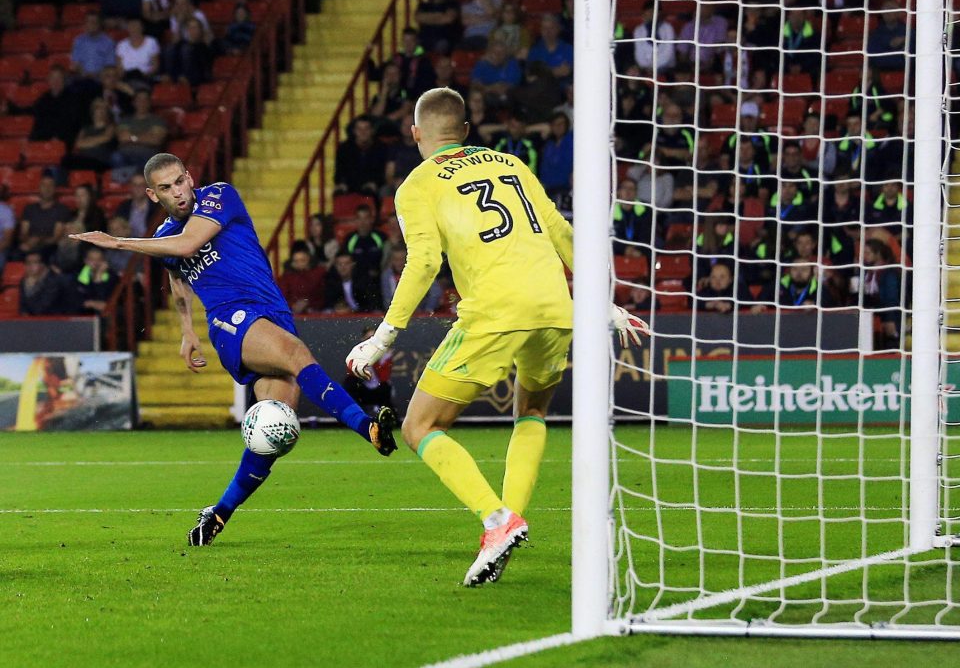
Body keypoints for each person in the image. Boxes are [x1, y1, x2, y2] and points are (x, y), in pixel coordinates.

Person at [344, 88, 648, 586]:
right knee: (531, 411)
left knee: (421, 426)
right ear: (465, 130)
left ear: (416, 133)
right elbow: (563, 234)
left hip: (493, 312)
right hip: (556, 306)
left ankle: (497, 520)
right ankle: (506, 524)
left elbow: (423, 261)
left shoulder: (416, 184)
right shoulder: (512, 163)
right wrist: (605, 304)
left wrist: (383, 337)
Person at [70, 153, 398, 546]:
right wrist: (188, 329)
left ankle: (219, 513)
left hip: (272, 313)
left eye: (179, 181)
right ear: (152, 195)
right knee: (296, 357)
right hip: (232, 322)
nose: (177, 192)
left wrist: (119, 242)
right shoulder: (161, 238)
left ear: (189, 177)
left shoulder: (218, 196)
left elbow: (187, 246)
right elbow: (178, 277)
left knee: (275, 428)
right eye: (166, 188)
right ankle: (368, 426)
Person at [18, 251, 69, 316]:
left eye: (34, 262)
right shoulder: (24, 280)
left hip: (57, 321)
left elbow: (40, 308)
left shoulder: (53, 280)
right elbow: (22, 306)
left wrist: (30, 288)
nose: (30, 266)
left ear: (43, 265)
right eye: (27, 263)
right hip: (34, 321)